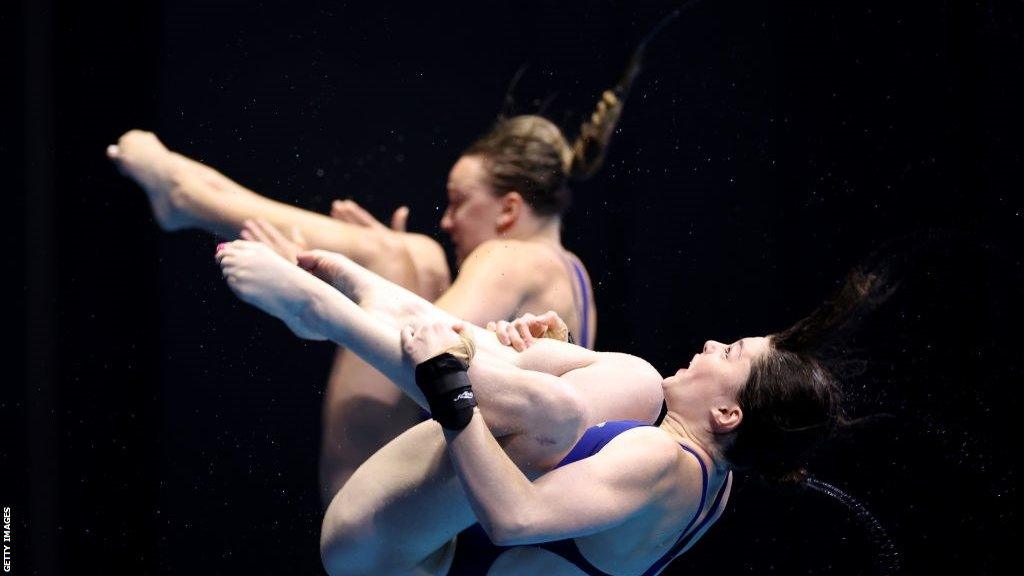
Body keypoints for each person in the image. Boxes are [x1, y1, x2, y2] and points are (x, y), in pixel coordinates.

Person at [213, 238, 880, 575]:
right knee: (591, 386)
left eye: (729, 352)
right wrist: (528, 357)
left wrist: (454, 393)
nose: (709, 343)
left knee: (558, 411)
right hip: (426, 542)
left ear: (729, 415)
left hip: (382, 560)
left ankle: (325, 315)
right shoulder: (703, 469)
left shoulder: (660, 461)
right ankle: (374, 301)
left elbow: (513, 518)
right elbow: (505, 374)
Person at [108, 88, 625, 502]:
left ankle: (189, 196)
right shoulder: (572, 277)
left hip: (379, 499)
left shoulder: (509, 256)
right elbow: (481, 364)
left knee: (402, 253)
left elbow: (419, 352)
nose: (447, 221)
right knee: (406, 256)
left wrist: (318, 286)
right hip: (449, 503)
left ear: (509, 211)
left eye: (458, 202)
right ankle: (187, 196)